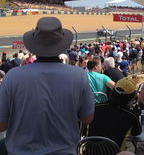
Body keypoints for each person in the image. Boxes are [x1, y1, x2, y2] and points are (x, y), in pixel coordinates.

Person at [0, 17, 94, 154]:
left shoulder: (13, 76)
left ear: (35, 45)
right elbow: (87, 118)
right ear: (61, 44)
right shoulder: (79, 75)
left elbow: (1, 125)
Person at [87, 77, 141, 150]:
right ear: (132, 97)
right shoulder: (131, 115)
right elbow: (137, 132)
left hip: (90, 152)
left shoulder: (95, 108)